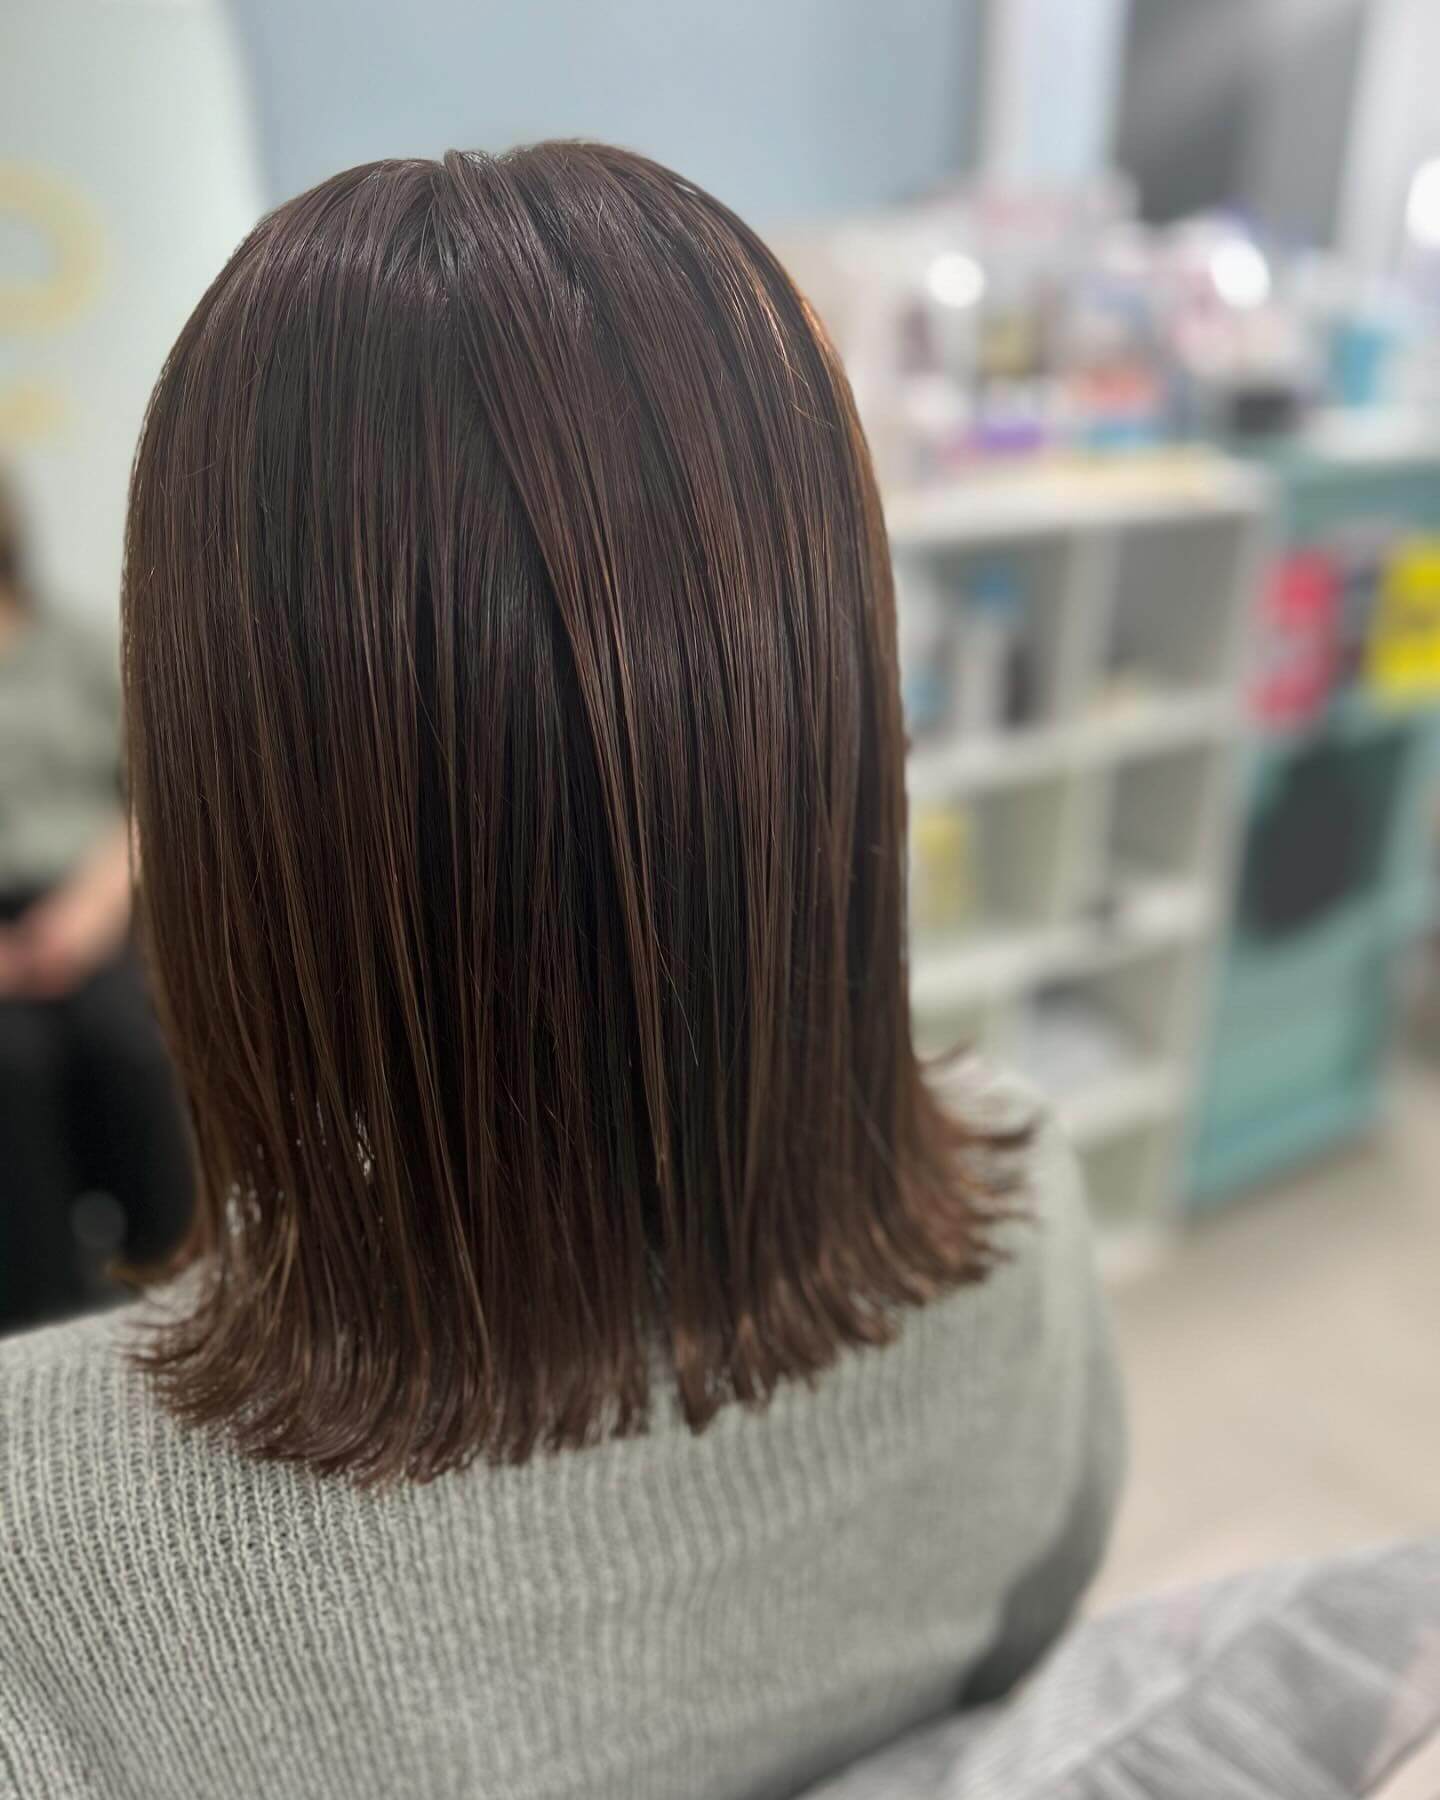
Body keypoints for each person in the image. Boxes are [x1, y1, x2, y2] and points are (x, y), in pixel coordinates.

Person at [0, 145, 1123, 1800]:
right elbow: (1013, 1686)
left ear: (222, 783)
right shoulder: (1024, 1217)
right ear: (826, 699)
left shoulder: (43, 1522)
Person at [0, 478, 191, 1331]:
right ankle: (37, 1327)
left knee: (131, 1044)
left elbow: (150, 794)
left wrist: (87, 913)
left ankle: (180, 1287)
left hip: (94, 905)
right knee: (12, 1068)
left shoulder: (77, 645)